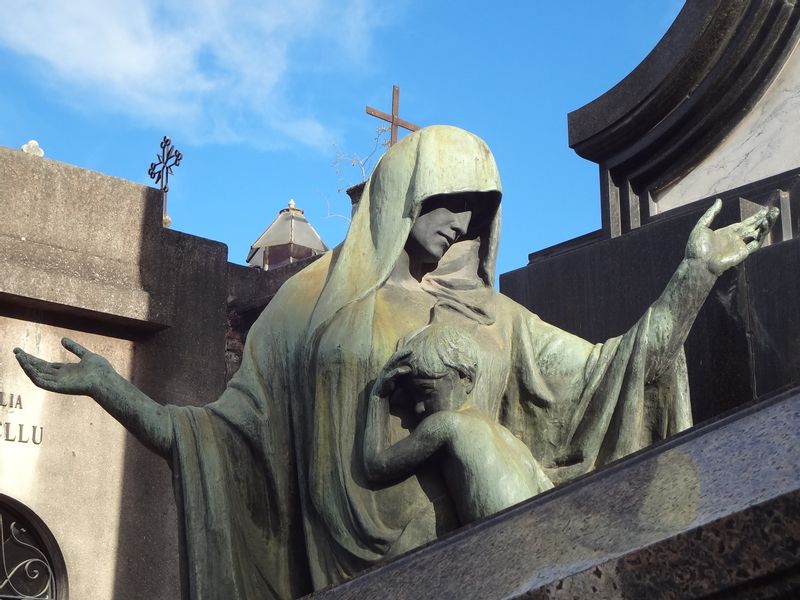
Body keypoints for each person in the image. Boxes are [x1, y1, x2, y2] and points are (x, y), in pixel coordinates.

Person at [13, 126, 778, 600]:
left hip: (486, 561)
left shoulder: (496, 315)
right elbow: (225, 437)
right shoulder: (309, 309)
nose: (463, 222)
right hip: (353, 574)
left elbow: (609, 377)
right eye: (448, 202)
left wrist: (691, 278)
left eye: (478, 210)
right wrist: (115, 391)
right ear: (404, 199)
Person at [363, 323, 554, 524]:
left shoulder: (447, 423)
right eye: (412, 397)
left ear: (466, 379)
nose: (418, 408)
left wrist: (378, 396)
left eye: (426, 393)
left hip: (499, 539)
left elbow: (376, 466)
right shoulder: (514, 443)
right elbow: (551, 495)